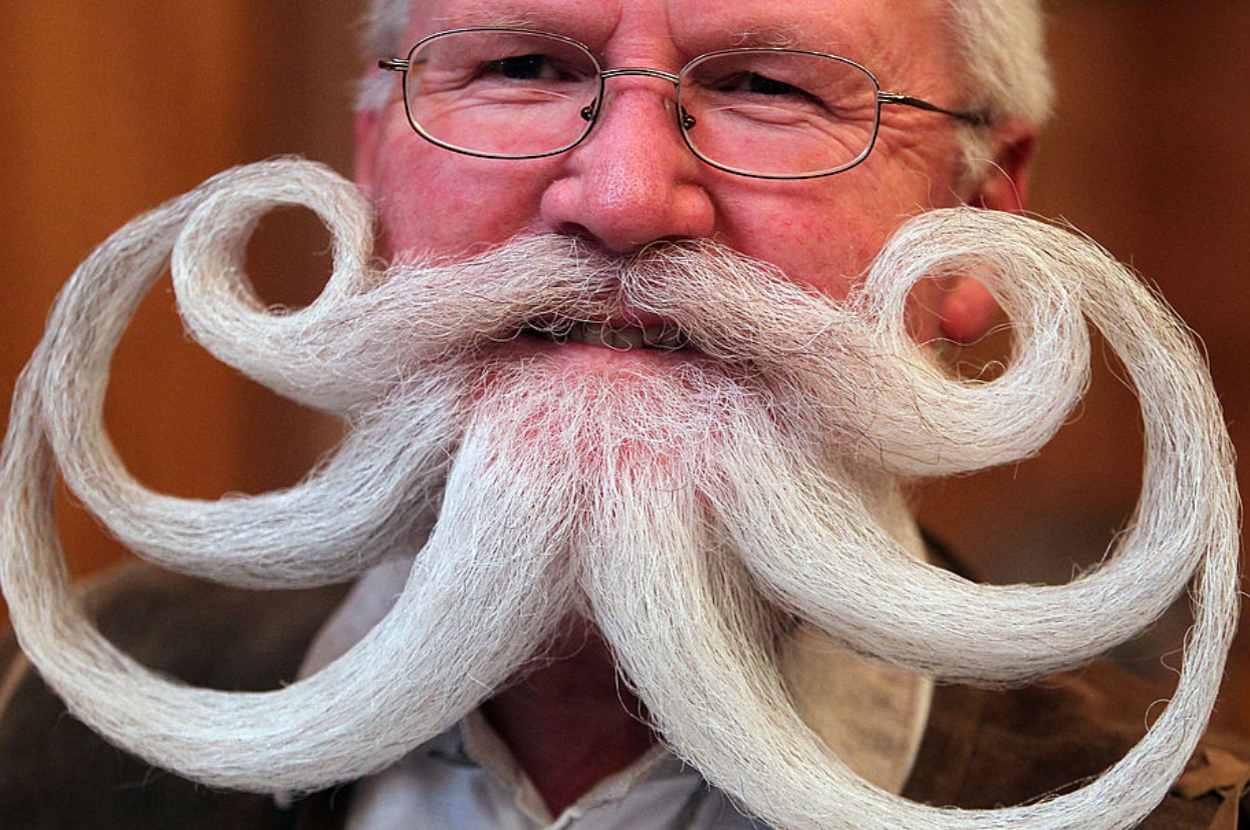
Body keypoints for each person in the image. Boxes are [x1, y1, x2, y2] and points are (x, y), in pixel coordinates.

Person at [1, 1, 1247, 828]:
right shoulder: (69, 713)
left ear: (983, 210)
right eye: (525, 67)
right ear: (371, 168)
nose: (624, 194)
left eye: (765, 86)